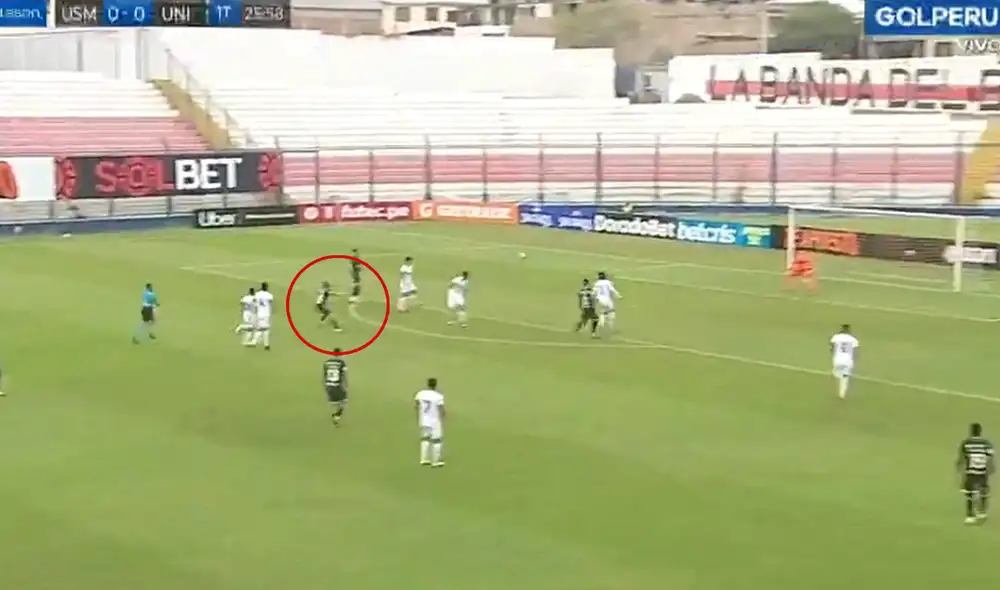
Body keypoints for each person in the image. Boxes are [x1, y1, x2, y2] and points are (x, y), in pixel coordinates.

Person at [957, 422, 994, 524]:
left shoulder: (967, 443)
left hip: (971, 470)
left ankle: (970, 515)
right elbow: (990, 457)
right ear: (980, 432)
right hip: (982, 470)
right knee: (983, 490)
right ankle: (982, 512)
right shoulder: (986, 443)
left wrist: (959, 468)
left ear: (971, 431)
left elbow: (962, 457)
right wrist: (990, 468)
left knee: (970, 493)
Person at [415, 377, 446, 467]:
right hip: (434, 421)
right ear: (435, 385)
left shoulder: (421, 393)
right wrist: (444, 418)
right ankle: (436, 461)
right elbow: (441, 408)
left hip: (423, 420)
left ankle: (424, 459)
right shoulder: (438, 396)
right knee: (437, 441)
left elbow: (417, 404)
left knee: (425, 439)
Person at [829, 324, 858, 400]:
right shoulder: (853, 339)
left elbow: (831, 346)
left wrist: (833, 350)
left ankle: (835, 373)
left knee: (837, 373)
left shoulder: (836, 337)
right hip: (848, 361)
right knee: (845, 378)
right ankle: (842, 394)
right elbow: (855, 351)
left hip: (838, 359)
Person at [323, 351, 349, 426]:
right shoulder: (341, 362)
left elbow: (325, 375)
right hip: (337, 385)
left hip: (329, 386)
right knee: (344, 402)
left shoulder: (327, 362)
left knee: (337, 403)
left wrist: (325, 386)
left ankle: (336, 415)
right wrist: (346, 385)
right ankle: (336, 416)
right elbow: (344, 375)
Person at [249, 282, 274, 350]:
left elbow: (254, 300)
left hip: (259, 313)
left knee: (264, 329)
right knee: (263, 329)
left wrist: (256, 305)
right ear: (266, 287)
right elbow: (271, 301)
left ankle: (266, 345)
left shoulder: (257, 294)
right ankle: (255, 342)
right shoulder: (269, 295)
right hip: (266, 314)